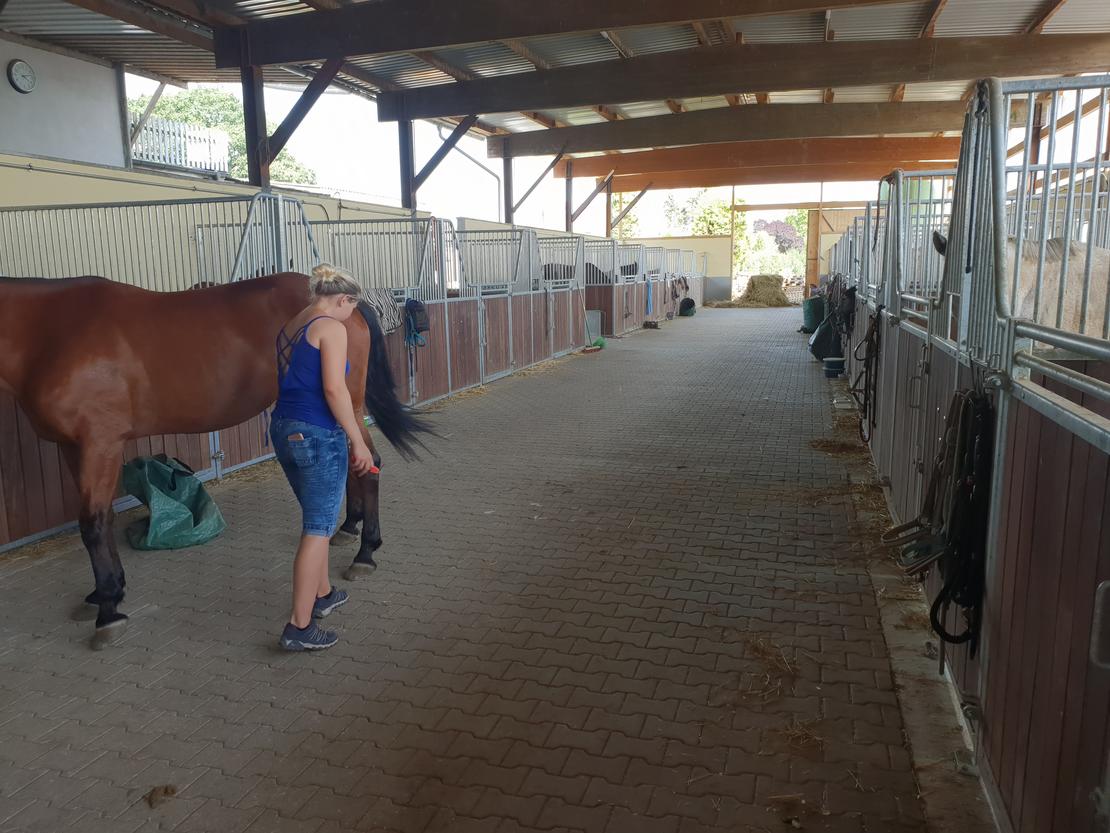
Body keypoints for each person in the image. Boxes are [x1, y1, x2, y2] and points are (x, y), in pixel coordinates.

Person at [271, 264, 375, 651]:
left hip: (284, 427)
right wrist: (358, 440)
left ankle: (324, 593)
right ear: (344, 299)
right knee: (318, 528)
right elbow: (334, 390)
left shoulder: (295, 322)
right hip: (318, 433)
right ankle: (299, 626)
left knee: (318, 515)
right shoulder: (331, 327)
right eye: (353, 307)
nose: (351, 314)